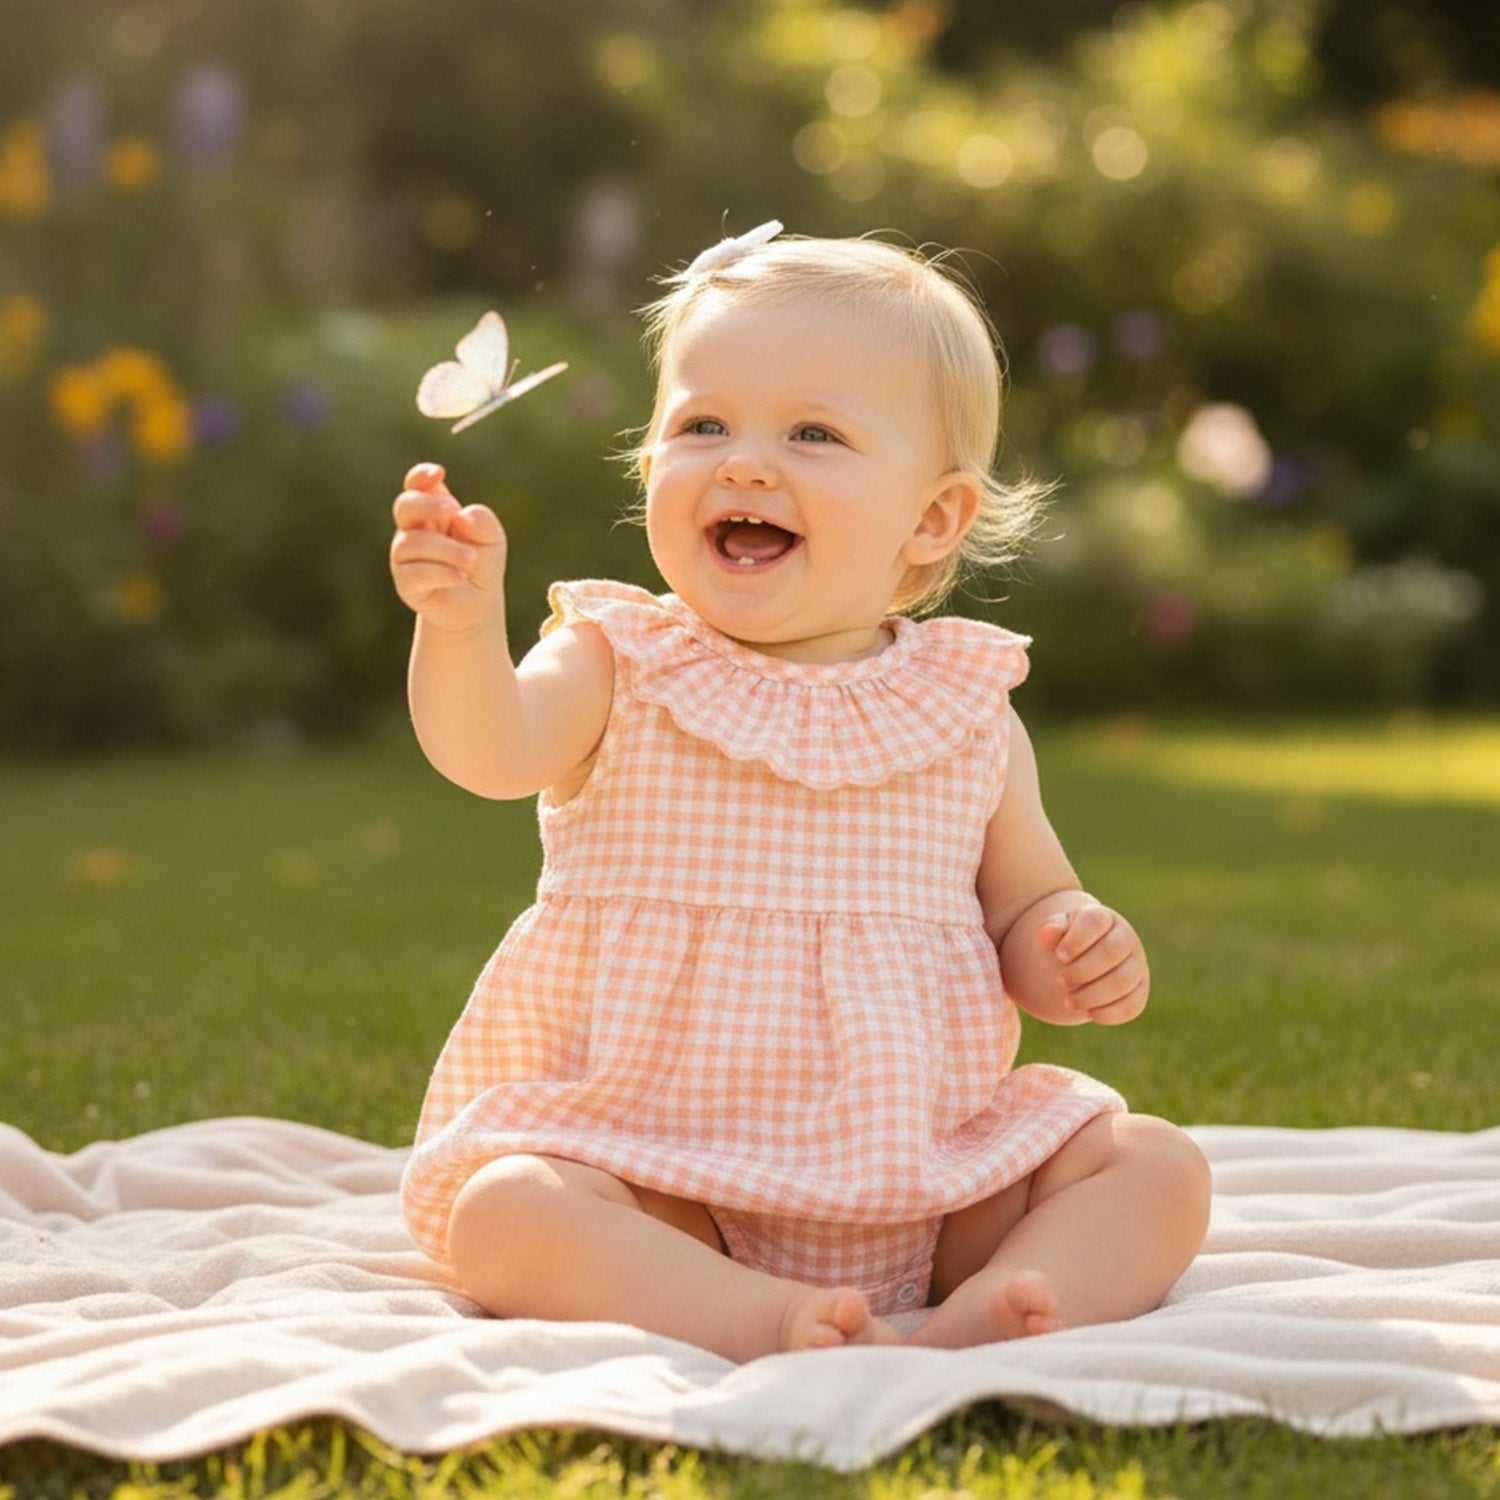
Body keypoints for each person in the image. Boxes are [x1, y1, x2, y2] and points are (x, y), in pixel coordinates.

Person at [389, 223, 1211, 1362]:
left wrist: (1068, 942)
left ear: (932, 518)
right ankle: (761, 1319)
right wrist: (460, 626)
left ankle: (1011, 1296)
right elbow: (489, 750)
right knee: (508, 1209)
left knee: (1155, 1164)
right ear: (650, 464)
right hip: (660, 1171)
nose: (743, 464)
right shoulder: (621, 661)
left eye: (812, 433)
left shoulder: (964, 710)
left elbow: (1026, 907)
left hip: (926, 1177)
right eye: (702, 426)